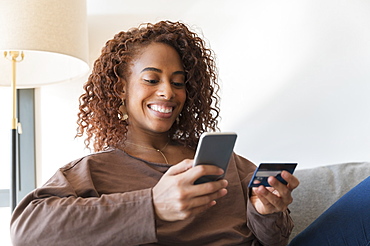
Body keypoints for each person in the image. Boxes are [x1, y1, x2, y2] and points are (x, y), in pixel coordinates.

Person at [10, 20, 300, 246]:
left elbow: (275, 240)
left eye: (178, 83)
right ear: (121, 88)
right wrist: (152, 206)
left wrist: (267, 211)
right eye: (151, 79)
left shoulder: (226, 162)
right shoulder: (93, 171)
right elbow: (27, 230)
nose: (167, 92)